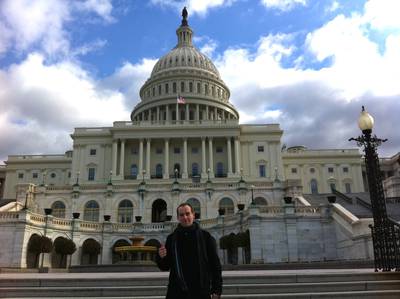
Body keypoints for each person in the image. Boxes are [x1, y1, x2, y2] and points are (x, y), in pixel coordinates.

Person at [156, 203, 222, 299]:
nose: (185, 217)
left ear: (193, 215)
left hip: (200, 291)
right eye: (182, 215)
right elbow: (165, 266)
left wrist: (217, 290)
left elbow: (215, 265)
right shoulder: (172, 239)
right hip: (177, 291)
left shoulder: (205, 237)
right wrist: (161, 257)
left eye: (187, 214)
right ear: (178, 218)